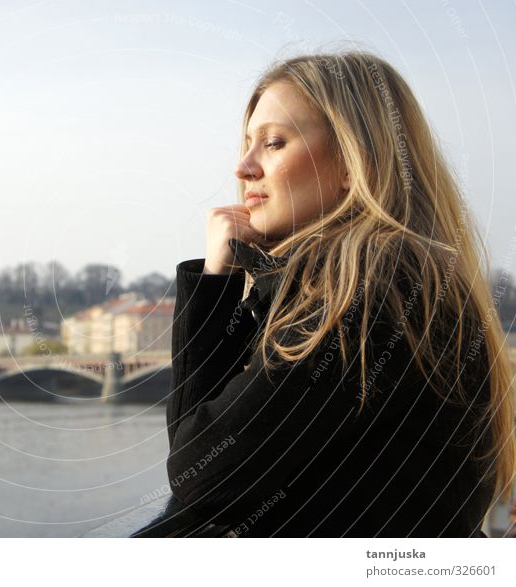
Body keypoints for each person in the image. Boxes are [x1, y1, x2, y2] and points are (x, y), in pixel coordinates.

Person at [165, 50, 516, 537]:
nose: (244, 167)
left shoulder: (365, 283)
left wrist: (214, 283)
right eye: (247, 144)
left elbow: (197, 475)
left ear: (355, 162)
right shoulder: (408, 274)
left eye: (274, 143)